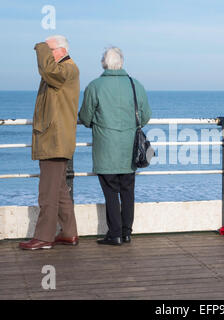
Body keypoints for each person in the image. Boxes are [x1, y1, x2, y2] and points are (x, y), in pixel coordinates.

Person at [79, 47, 151, 246]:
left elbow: (84, 118)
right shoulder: (136, 85)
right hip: (130, 149)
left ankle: (115, 234)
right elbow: (145, 116)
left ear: (104, 63)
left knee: (111, 191)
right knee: (128, 190)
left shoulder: (95, 86)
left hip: (105, 149)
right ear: (122, 62)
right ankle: (127, 233)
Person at [19, 35, 80, 250]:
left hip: (55, 140)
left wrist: (40, 47)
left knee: (47, 192)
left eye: (50, 49)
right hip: (55, 139)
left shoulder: (66, 69)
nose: (46, 52)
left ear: (61, 51)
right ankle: (69, 233)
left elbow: (49, 72)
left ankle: (44, 237)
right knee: (60, 189)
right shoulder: (64, 70)